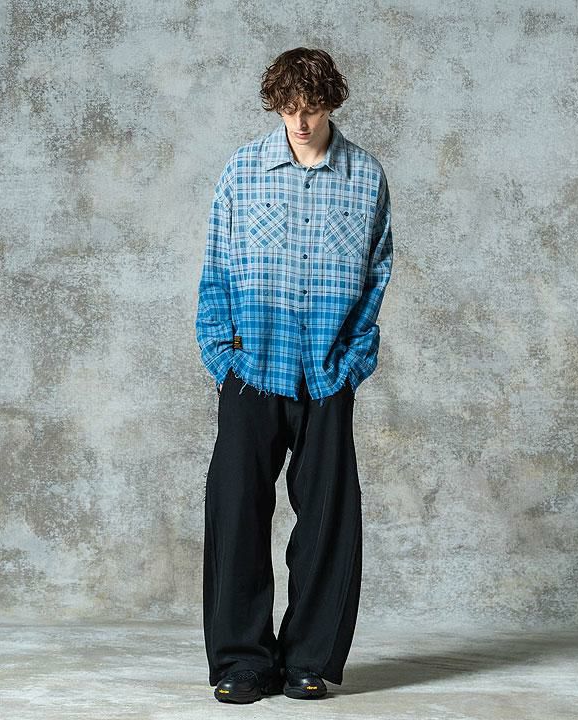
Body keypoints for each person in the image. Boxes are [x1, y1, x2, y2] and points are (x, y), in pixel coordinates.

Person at [195, 47, 393, 703]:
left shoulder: (365, 177)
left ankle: (309, 659)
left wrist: (354, 360)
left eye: (310, 109)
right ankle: (242, 662)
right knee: (237, 514)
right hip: (251, 368)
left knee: (328, 522)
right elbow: (216, 269)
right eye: (287, 110)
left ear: (331, 103)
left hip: (328, 372)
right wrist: (221, 356)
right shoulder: (242, 171)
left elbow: (377, 274)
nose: (300, 123)